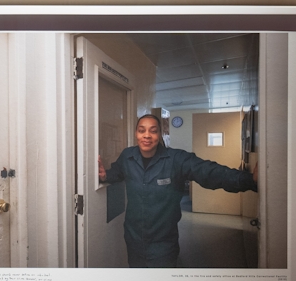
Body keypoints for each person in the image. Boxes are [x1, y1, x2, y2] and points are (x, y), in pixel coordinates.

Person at [99, 114, 256, 268]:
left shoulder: (176, 159)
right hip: (133, 239)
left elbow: (209, 172)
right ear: (136, 133)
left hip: (163, 244)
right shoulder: (128, 156)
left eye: (153, 131)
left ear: (160, 134)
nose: (146, 135)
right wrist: (105, 175)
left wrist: (249, 180)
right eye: (141, 130)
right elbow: (117, 172)